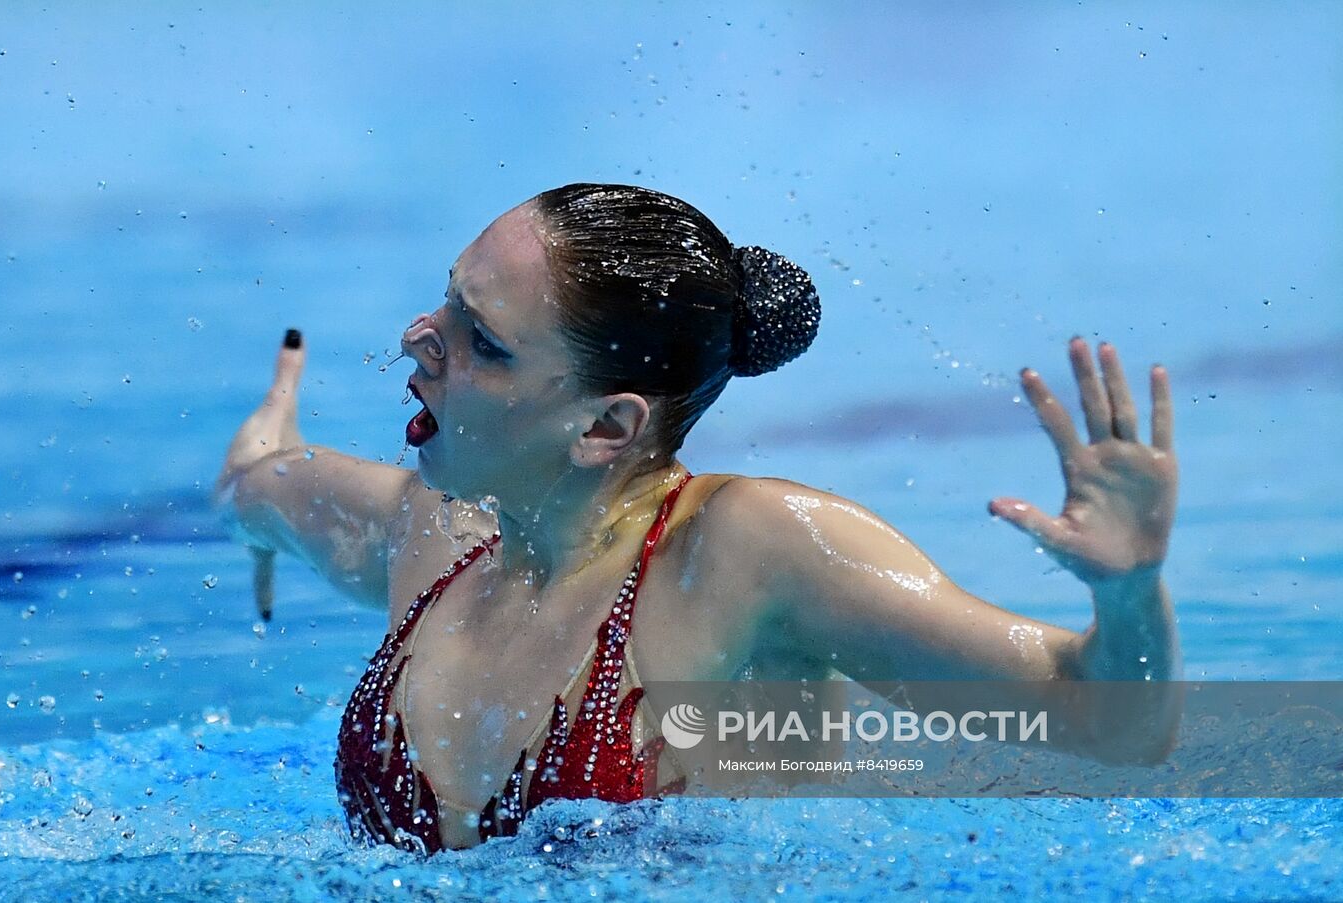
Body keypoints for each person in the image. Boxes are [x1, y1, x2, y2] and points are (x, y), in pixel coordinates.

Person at [215, 183, 1180, 853]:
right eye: (446, 301)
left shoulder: (744, 555)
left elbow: (1116, 725)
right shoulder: (437, 536)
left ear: (606, 426)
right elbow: (256, 488)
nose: (418, 340)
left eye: (485, 343)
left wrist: (1131, 591)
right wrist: (258, 458)